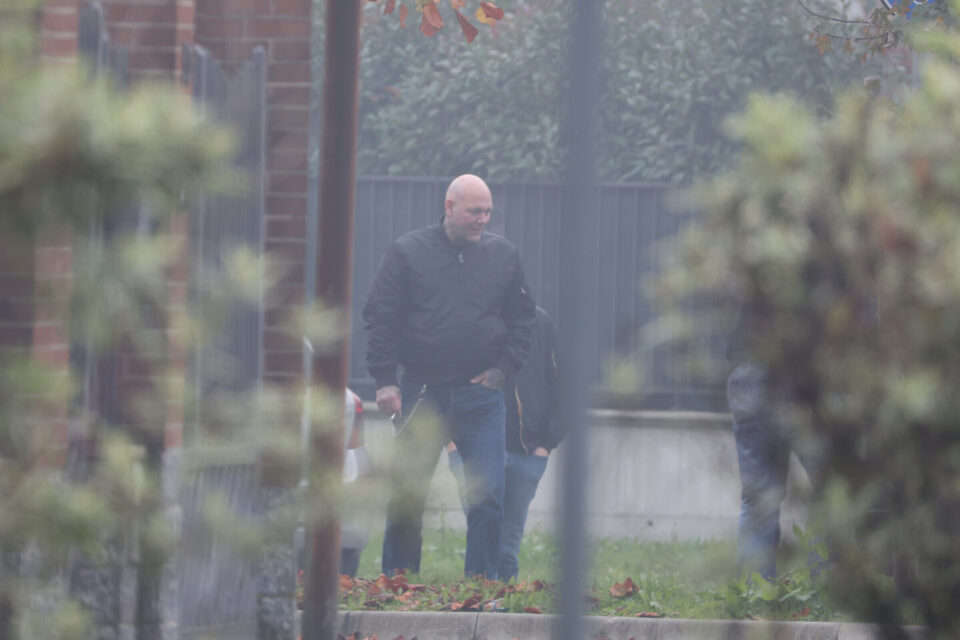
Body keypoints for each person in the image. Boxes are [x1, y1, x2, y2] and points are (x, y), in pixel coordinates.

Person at [363, 174, 536, 579]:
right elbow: (380, 316)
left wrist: (504, 368)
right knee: (407, 497)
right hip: (421, 391)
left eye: (488, 212)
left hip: (481, 397)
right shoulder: (407, 252)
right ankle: (399, 585)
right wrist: (385, 379)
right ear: (449, 207)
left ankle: (482, 588)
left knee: (487, 495)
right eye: (475, 211)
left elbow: (524, 318)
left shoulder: (504, 256)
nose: (483, 219)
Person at [447, 306, 564, 582]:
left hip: (527, 452)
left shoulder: (539, 321)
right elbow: (444, 378)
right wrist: (450, 442)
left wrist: (546, 444)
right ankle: (477, 596)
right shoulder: (465, 315)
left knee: (507, 546)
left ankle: (504, 600)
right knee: (482, 533)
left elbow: (560, 382)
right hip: (469, 450)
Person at [726, 304, 822, 580]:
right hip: (797, 376)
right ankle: (825, 588)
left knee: (758, 496)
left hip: (746, 374)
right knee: (829, 487)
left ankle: (755, 589)